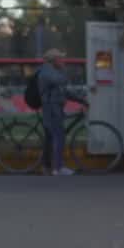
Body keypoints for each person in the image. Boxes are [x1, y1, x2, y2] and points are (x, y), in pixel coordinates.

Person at [36, 48, 81, 176]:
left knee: (51, 139)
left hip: (55, 108)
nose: (63, 61)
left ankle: (46, 167)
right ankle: (58, 168)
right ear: (54, 60)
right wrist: (64, 70)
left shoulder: (53, 71)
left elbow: (64, 91)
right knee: (58, 136)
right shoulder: (47, 72)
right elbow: (61, 81)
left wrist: (81, 100)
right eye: (61, 59)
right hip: (51, 109)